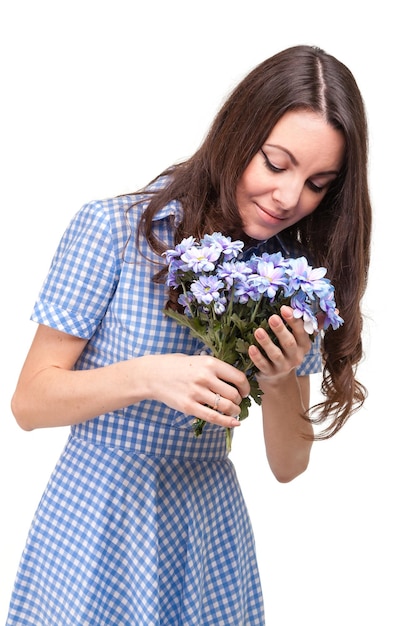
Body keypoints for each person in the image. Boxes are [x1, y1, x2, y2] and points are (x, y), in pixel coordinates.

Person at [6, 44, 371, 625]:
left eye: (318, 183)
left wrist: (279, 382)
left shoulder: (288, 279)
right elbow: (29, 402)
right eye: (276, 164)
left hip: (204, 526)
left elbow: (288, 464)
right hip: (97, 516)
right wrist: (149, 376)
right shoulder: (115, 230)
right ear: (236, 135)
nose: (289, 198)